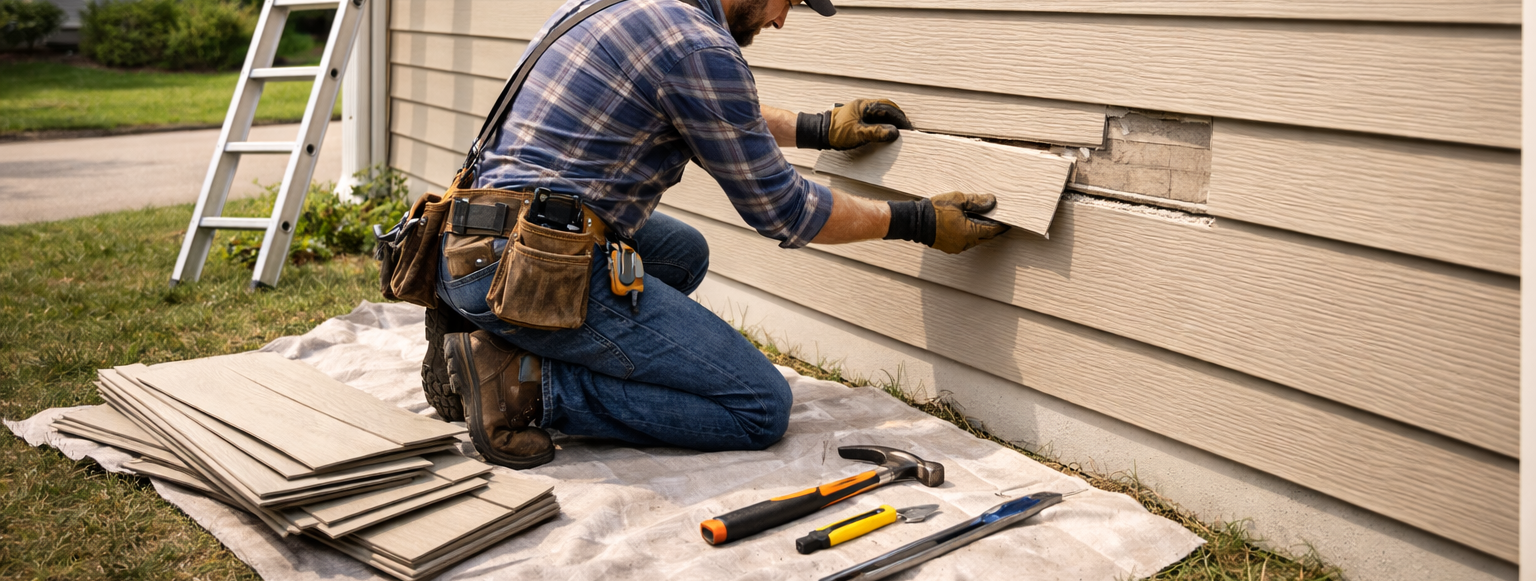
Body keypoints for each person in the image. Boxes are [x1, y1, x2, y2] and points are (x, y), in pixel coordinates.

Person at [431, 0, 1008, 469]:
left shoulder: (636, 9)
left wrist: (818, 129)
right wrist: (917, 220)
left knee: (683, 253)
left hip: (474, 240)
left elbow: (717, 109)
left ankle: (487, 327)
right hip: (526, 266)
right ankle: (525, 383)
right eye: (789, 1)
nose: (783, 19)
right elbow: (785, 210)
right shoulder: (699, 45)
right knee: (759, 408)